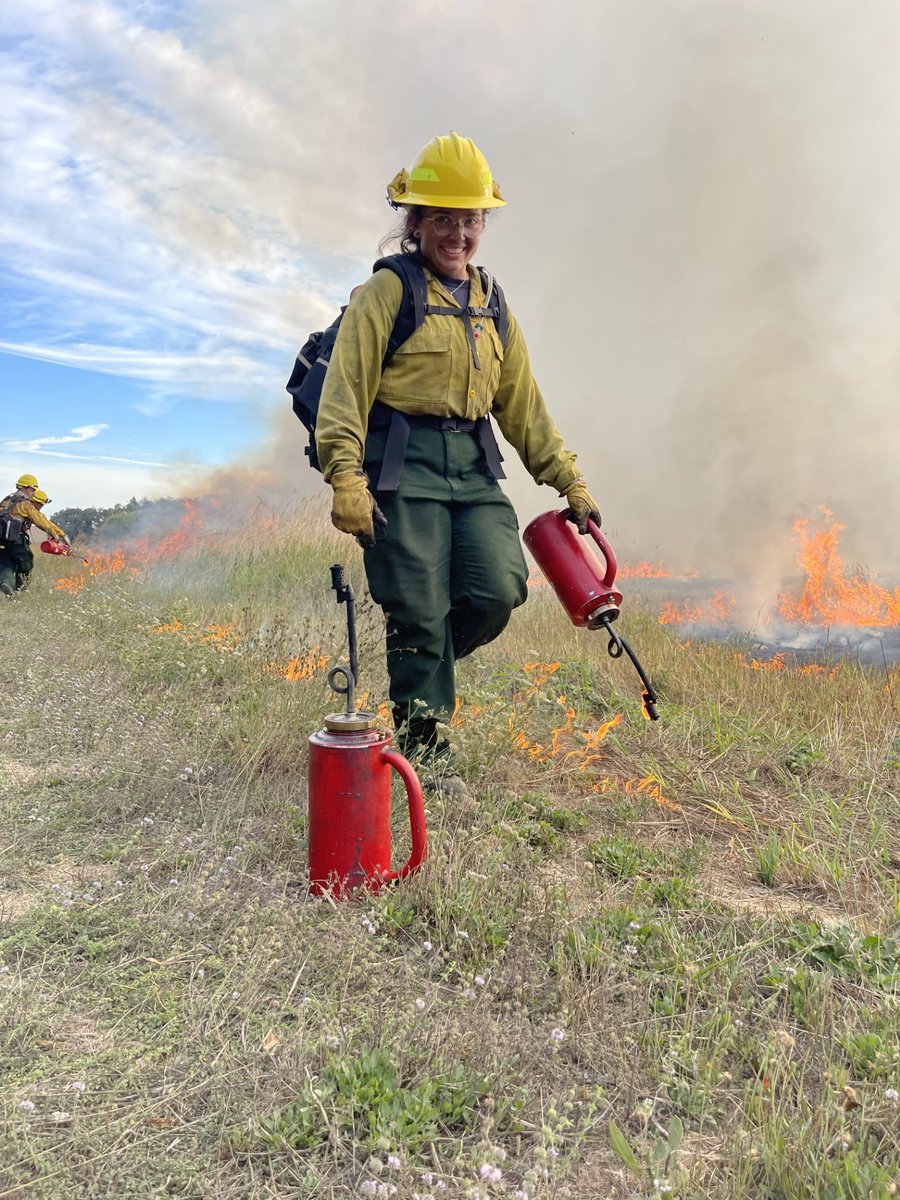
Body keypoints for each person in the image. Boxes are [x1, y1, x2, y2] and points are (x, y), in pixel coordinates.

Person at [315, 133, 601, 796]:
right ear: (414, 223)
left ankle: (422, 666)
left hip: (474, 465)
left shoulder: (492, 302)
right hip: (399, 464)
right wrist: (345, 477)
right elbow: (347, 389)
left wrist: (568, 478)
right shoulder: (388, 292)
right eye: (443, 218)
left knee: (498, 590)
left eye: (470, 219)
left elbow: (523, 405)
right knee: (415, 605)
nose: (459, 232)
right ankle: (424, 749)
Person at [0, 475, 69, 595]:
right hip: (15, 539)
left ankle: (6, 584)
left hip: (1, 538)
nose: (33, 493)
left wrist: (60, 532)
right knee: (26, 561)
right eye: (33, 490)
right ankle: (19, 590)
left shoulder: (6, 500)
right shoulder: (25, 504)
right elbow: (40, 520)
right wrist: (56, 534)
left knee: (6, 563)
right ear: (24, 487)